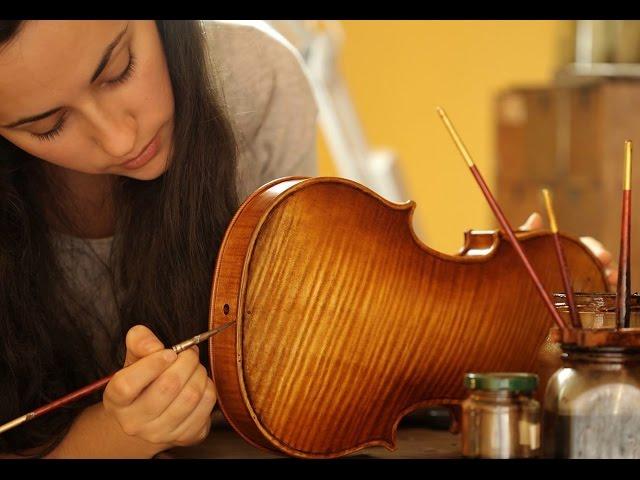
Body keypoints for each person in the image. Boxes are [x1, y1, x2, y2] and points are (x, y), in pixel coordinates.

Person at [0, 20, 615, 458]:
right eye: (47, 125)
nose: (116, 138)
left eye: (118, 69)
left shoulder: (249, 74)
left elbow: (311, 346)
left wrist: (502, 302)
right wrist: (126, 433)